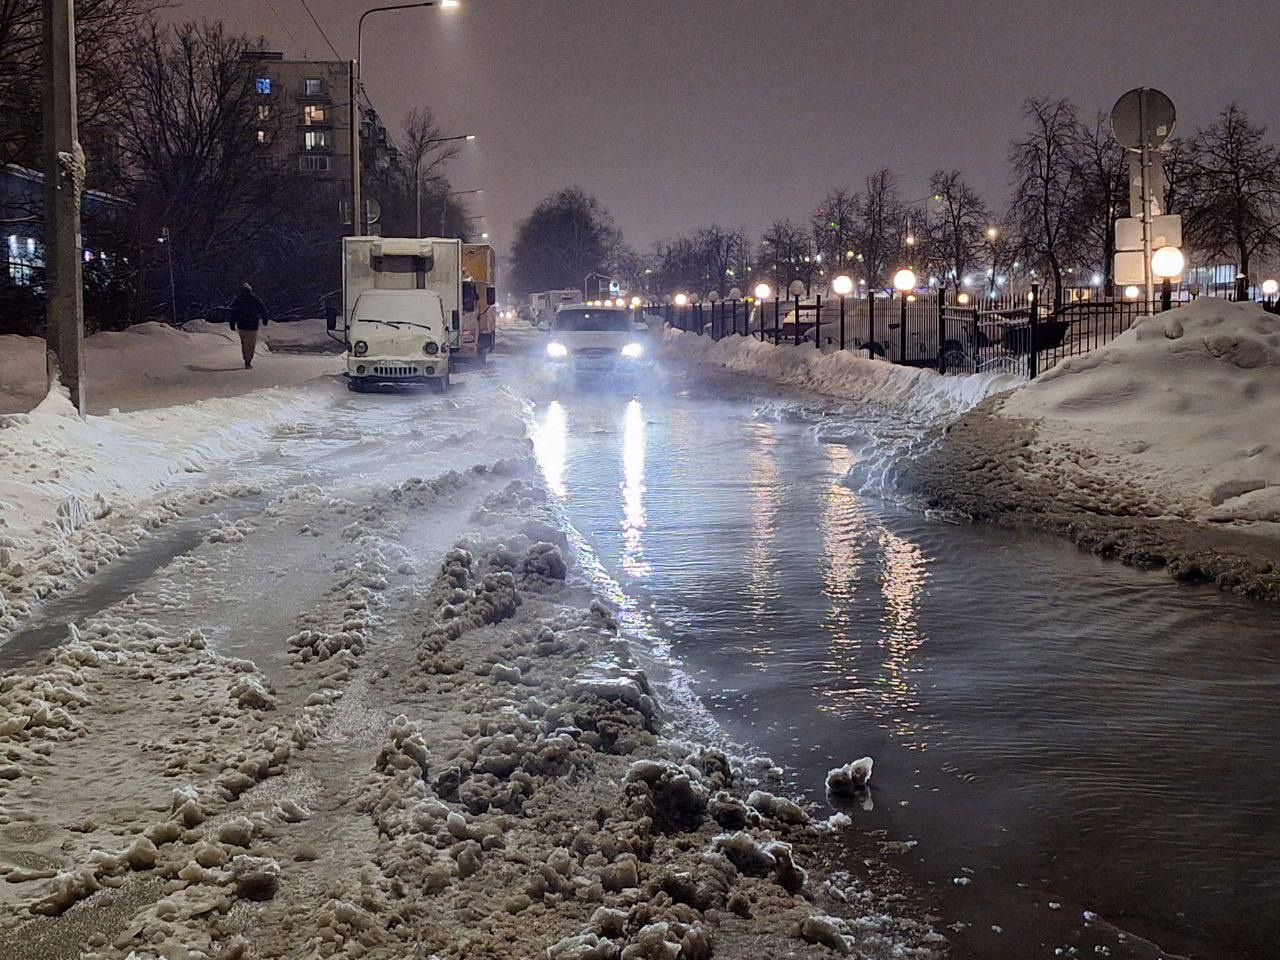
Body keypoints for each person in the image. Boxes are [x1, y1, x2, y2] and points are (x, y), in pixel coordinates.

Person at [228, 282, 267, 369]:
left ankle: (246, 359)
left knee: (244, 343)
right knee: (251, 344)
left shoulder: (238, 300)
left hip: (242, 325)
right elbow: (263, 310)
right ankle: (249, 360)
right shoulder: (255, 299)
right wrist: (264, 320)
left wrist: (232, 323)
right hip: (253, 325)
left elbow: (233, 312)